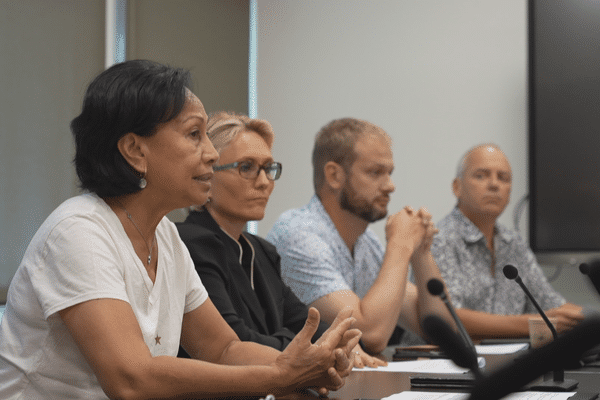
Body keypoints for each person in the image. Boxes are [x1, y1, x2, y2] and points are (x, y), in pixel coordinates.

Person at [0, 60, 361, 399]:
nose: (212, 154)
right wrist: (278, 376)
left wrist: (311, 361)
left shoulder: (166, 236)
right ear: (134, 150)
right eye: (193, 134)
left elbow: (223, 349)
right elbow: (131, 380)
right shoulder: (78, 232)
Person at [176, 112, 385, 368]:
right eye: (247, 168)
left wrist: (336, 344)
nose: (264, 182)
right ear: (207, 173)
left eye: (268, 168)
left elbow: (307, 324)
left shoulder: (261, 250)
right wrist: (304, 344)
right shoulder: (191, 243)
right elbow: (236, 344)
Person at [266, 117, 454, 354]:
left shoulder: (367, 242)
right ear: (334, 176)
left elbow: (442, 330)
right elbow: (369, 335)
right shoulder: (298, 235)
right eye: (375, 172)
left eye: (389, 173)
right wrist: (401, 245)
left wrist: (421, 252)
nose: (390, 186)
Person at [430, 143, 584, 340]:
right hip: (439, 364)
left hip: (506, 362)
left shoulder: (514, 243)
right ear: (457, 187)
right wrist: (536, 323)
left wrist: (590, 319)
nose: (494, 184)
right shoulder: (438, 238)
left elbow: (552, 305)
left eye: (503, 178)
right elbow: (447, 318)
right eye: (481, 175)